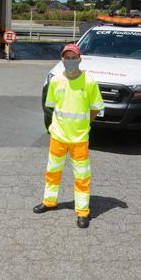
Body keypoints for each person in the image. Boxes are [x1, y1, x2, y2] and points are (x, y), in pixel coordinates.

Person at [33, 43, 104, 228]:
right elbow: (52, 106)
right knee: (52, 172)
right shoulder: (56, 81)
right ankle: (49, 202)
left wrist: (85, 123)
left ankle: (82, 212)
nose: (70, 61)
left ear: (79, 60)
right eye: (67, 58)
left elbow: (96, 108)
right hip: (58, 136)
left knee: (82, 176)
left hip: (79, 138)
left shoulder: (89, 82)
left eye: (74, 58)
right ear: (62, 60)